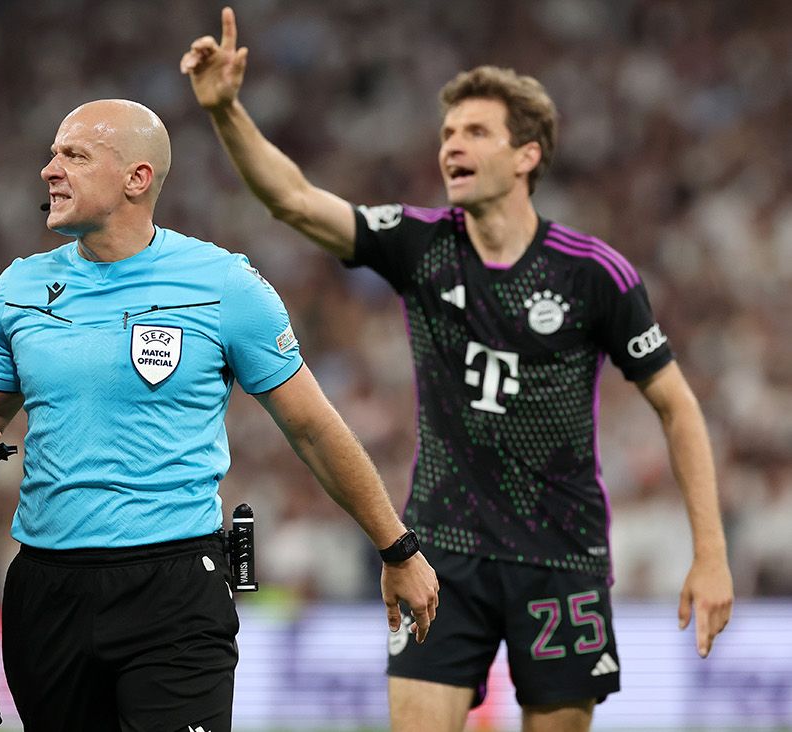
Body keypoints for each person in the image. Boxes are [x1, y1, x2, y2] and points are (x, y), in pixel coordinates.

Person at [181, 8, 735, 732]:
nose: (451, 146)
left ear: (528, 154)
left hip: (561, 557)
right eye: (446, 134)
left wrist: (711, 554)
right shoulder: (421, 244)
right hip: (441, 554)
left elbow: (677, 406)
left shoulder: (595, 274)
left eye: (475, 132)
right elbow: (294, 200)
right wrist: (227, 112)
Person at [0, 98, 439, 732]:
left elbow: (311, 426)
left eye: (74, 155)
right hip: (45, 588)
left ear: (136, 178)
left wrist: (397, 547)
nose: (49, 170)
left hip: (174, 589)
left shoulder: (222, 285)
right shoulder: (17, 290)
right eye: (53, 153)